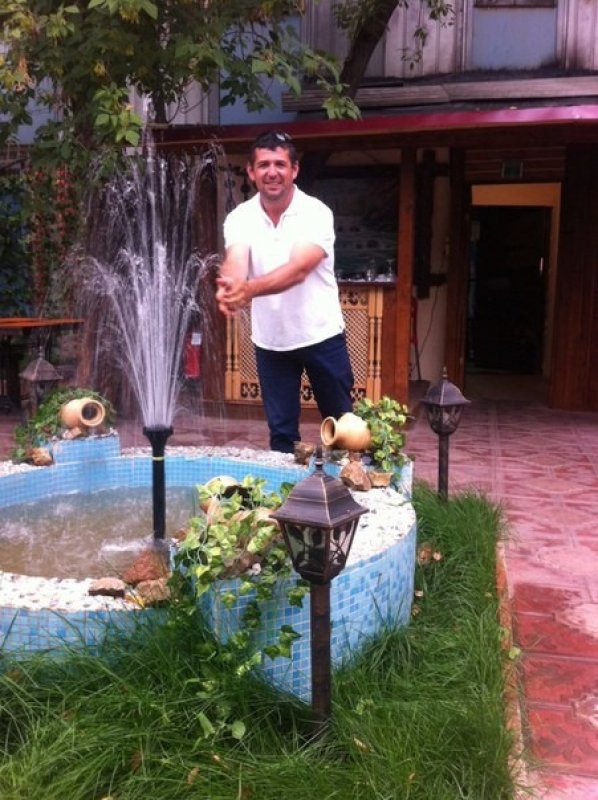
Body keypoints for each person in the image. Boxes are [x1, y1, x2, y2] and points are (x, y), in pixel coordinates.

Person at [216, 130, 354, 453]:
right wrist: (231, 287)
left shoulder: (315, 212)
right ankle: (287, 487)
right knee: (281, 436)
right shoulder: (240, 218)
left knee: (343, 429)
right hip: (271, 342)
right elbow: (236, 260)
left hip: (321, 336)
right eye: (264, 165)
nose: (272, 172)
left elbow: (299, 269)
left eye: (280, 164)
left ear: (294, 170)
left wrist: (248, 289)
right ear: (251, 171)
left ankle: (351, 485)